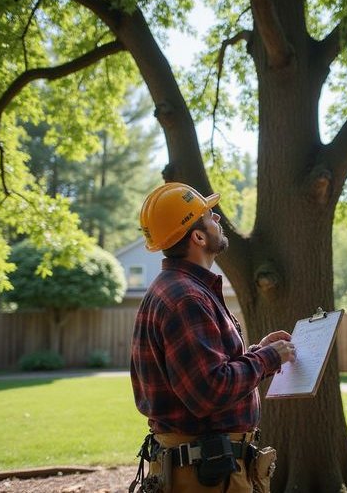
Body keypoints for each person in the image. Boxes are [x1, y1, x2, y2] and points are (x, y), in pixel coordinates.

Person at [130, 182, 296, 493]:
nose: (217, 219)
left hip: (204, 468)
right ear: (198, 236)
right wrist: (268, 357)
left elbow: (209, 371)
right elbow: (209, 390)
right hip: (206, 476)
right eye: (209, 215)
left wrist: (262, 352)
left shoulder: (179, 290)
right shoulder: (187, 298)